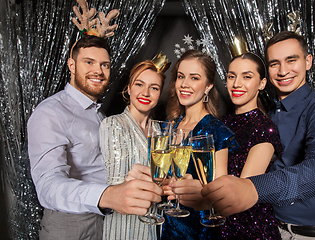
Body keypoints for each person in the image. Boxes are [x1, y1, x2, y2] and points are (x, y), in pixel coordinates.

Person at [202, 31, 315, 239]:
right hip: (273, 230)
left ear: (308, 61)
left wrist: (253, 188)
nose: (283, 71)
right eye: (274, 64)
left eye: (291, 60)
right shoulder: (265, 115)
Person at [27, 35, 163, 240]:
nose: (98, 71)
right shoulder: (50, 112)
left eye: (105, 64)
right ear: (71, 65)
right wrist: (108, 195)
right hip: (69, 224)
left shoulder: (98, 115)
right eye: (88, 62)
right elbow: (48, 185)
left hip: (105, 220)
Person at [161, 49, 238, 240]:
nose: (184, 84)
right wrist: (164, 185)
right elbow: (165, 179)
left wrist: (199, 193)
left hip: (200, 231)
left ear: (208, 86)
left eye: (194, 78)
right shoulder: (171, 126)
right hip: (168, 228)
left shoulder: (216, 130)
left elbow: (222, 199)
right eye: (181, 76)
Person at [99, 58, 167, 240]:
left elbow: (163, 178)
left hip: (153, 225)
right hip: (123, 226)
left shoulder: (159, 130)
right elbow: (115, 185)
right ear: (129, 88)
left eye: (154, 88)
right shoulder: (113, 124)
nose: (146, 92)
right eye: (139, 84)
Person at [221, 52, 282, 239]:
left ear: (262, 84)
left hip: (250, 229)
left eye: (247, 77)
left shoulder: (265, 129)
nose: (237, 83)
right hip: (220, 226)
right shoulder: (222, 123)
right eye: (232, 76)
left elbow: (240, 193)